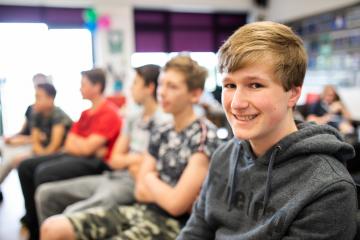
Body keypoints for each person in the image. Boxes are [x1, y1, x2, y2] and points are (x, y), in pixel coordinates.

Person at [177, 21, 357, 239]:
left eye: (255, 85)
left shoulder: (329, 189)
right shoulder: (223, 157)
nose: (236, 104)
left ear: (292, 93)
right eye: (230, 85)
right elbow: (196, 230)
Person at [39, 54, 221, 240]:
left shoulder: (204, 136)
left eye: (172, 86)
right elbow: (140, 191)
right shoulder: (162, 130)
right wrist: (156, 184)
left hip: (174, 224)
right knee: (52, 227)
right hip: (140, 210)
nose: (162, 92)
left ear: (195, 94)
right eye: (162, 84)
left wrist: (150, 178)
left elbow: (175, 205)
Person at [34, 64, 168, 223]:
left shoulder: (164, 123)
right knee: (45, 194)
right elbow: (114, 160)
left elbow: (149, 167)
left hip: (130, 182)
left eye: (135, 84)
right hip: (113, 175)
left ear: (149, 87)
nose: (130, 89)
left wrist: (129, 160)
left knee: (69, 214)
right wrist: (135, 160)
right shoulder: (133, 118)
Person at [18, 68, 122, 240]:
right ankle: (32, 224)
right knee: (25, 166)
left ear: (97, 87)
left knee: (43, 172)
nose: (79, 88)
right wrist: (85, 145)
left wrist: (83, 145)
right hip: (77, 155)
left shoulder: (109, 112)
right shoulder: (85, 113)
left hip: (94, 162)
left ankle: (44, 229)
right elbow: (70, 143)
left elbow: (88, 150)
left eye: (83, 84)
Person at [0, 83, 72, 193]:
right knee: (6, 150)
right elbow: (35, 140)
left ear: (50, 99)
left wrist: (35, 154)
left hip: (58, 153)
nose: (35, 101)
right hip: (41, 150)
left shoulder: (58, 115)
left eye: (38, 97)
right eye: (35, 97)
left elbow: (53, 147)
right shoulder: (36, 113)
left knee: (14, 159)